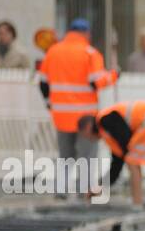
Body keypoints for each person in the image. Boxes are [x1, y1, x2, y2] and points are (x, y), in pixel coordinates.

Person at [38, 18, 117, 194]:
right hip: (85, 117)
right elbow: (96, 82)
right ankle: (84, 191)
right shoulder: (90, 53)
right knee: (87, 156)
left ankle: (61, 191)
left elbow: (43, 83)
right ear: (86, 33)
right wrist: (113, 76)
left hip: (60, 115)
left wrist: (49, 104)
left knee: (65, 156)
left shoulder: (53, 51)